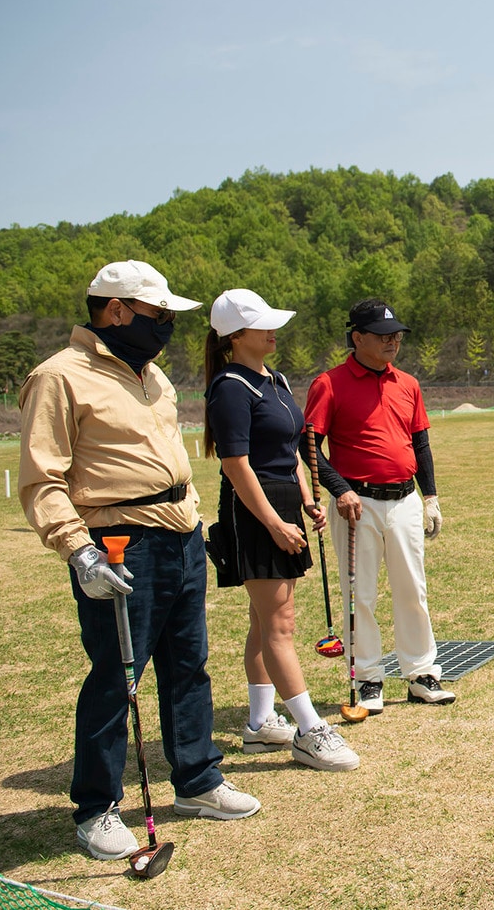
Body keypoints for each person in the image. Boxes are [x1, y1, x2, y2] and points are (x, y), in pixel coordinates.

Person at [18, 260, 261, 864]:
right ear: (118, 309)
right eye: (159, 315)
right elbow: (41, 480)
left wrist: (194, 516)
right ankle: (97, 809)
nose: (167, 327)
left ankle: (198, 781)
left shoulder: (153, 377)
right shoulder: (59, 377)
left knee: (189, 665)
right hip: (119, 544)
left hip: (181, 536)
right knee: (115, 677)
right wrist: (78, 551)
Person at [204, 289, 359, 772]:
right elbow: (235, 464)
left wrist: (308, 500)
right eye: (263, 324)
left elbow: (292, 448)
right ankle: (310, 730)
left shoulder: (275, 379)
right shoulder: (231, 385)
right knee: (280, 625)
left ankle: (258, 723)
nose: (274, 330)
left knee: (264, 619)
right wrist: (272, 522)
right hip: (254, 508)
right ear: (234, 335)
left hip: (284, 502)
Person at [304, 299, 455, 713]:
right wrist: (338, 489)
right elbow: (309, 446)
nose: (393, 341)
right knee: (361, 594)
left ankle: (422, 672)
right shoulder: (329, 383)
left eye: (397, 335)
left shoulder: (407, 383)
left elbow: (420, 442)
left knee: (413, 588)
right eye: (383, 334)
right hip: (357, 503)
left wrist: (431, 497)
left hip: (404, 498)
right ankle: (369, 678)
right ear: (358, 338)